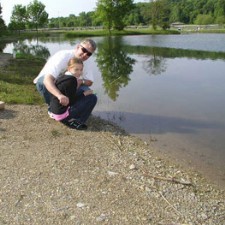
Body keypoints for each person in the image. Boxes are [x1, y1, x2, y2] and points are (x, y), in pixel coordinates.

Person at [33, 38, 97, 128]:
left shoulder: (87, 62)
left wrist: (80, 81)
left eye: (89, 54)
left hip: (68, 86)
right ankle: (53, 109)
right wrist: (59, 95)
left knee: (91, 96)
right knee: (42, 82)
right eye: (84, 50)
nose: (85, 54)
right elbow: (47, 80)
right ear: (78, 47)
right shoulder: (63, 56)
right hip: (52, 83)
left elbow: (90, 82)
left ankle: (75, 118)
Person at [50, 57, 94, 130]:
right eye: (76, 69)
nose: (79, 72)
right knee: (92, 98)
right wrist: (84, 94)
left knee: (82, 93)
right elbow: (71, 101)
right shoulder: (72, 80)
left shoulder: (63, 76)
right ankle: (79, 120)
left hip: (54, 111)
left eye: (81, 70)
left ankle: (74, 117)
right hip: (61, 115)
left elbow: (68, 94)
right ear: (69, 69)